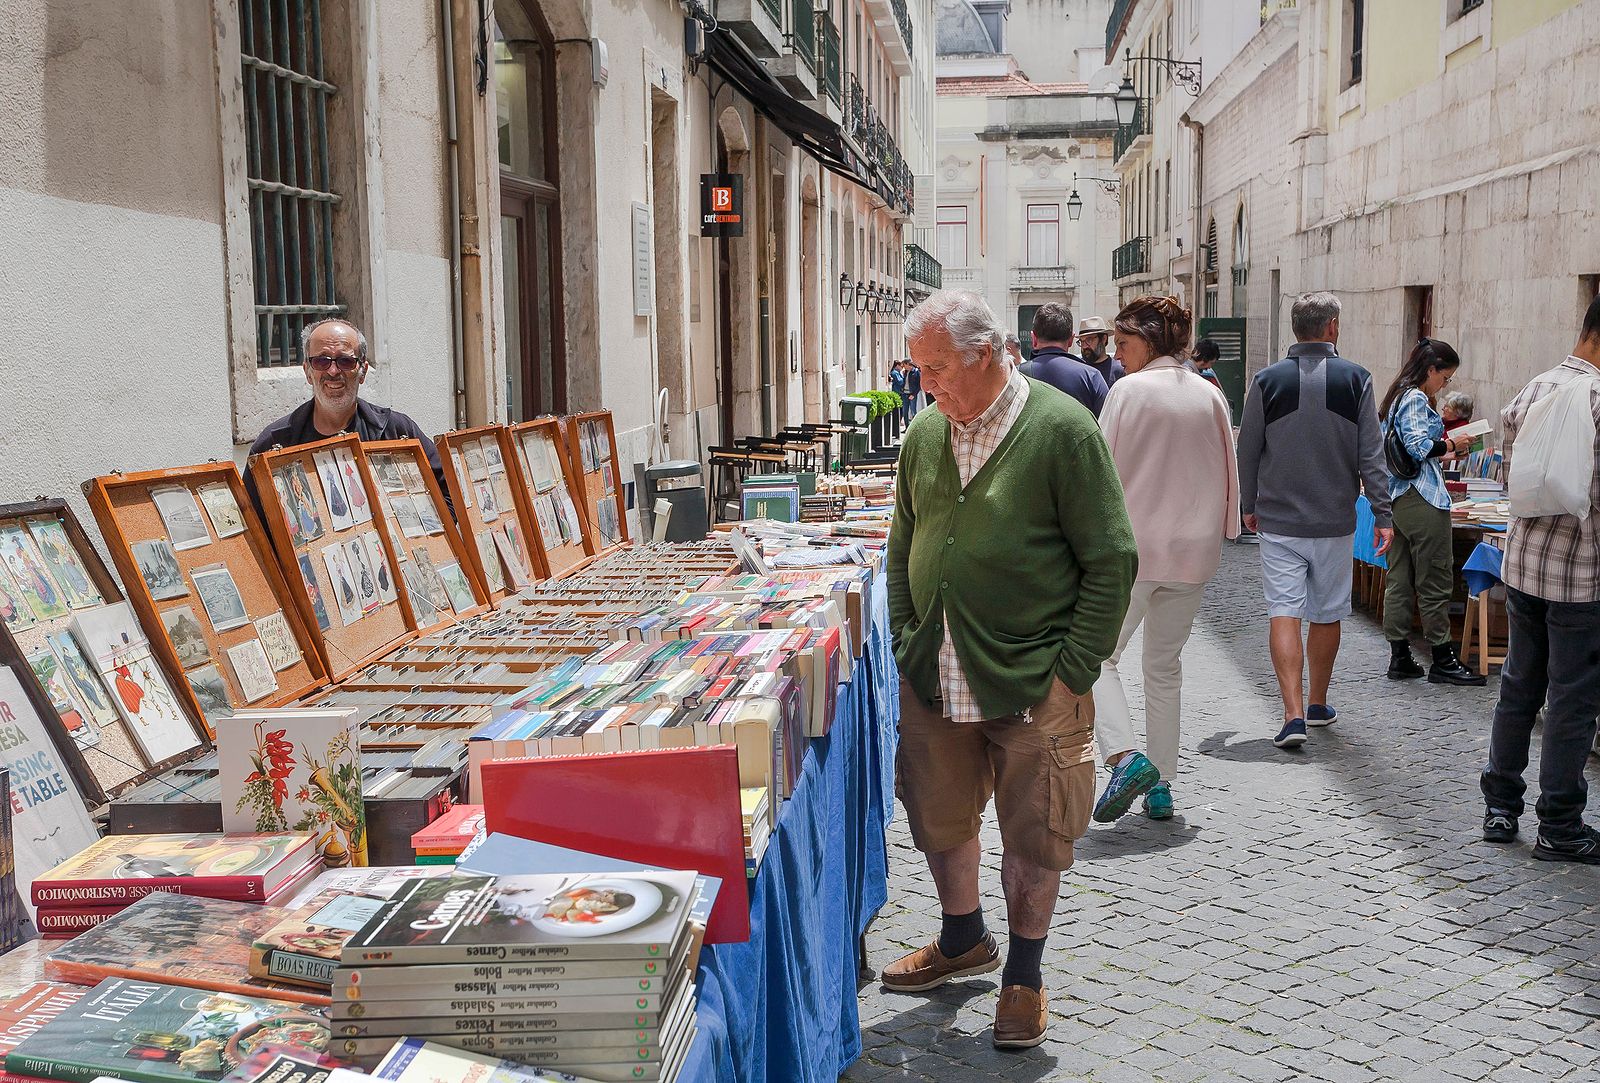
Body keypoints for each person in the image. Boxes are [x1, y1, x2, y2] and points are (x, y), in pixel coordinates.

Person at [885, 289, 1137, 1048]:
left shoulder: (1062, 432)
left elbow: (1112, 558)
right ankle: (963, 936)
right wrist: (906, 634)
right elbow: (902, 546)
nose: (927, 384)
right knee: (939, 813)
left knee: (1036, 832)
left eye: (937, 368)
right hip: (937, 671)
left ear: (986, 354)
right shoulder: (927, 434)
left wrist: (1073, 667)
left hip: (1036, 681)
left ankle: (1023, 977)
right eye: (920, 369)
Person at [1091, 296, 1239, 823]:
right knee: (1164, 667)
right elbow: (1229, 468)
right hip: (1193, 552)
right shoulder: (1209, 396)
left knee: (1095, 659)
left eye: (1125, 344)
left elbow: (1099, 472)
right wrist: (1226, 529)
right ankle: (1162, 786)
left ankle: (1127, 757)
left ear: (1147, 342)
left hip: (1133, 552)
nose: (1119, 354)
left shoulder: (1127, 392)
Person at [1236, 292, 1393, 750]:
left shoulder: (1266, 380)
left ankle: (1293, 714)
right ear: (1332, 328)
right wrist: (1382, 513)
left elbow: (1248, 448)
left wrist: (1249, 501)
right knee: (1326, 613)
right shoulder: (1357, 379)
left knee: (1283, 610)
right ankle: (1319, 702)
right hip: (1334, 520)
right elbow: (1371, 453)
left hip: (1279, 519)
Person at [1480, 296, 1600, 862]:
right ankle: (1560, 823)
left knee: (1520, 686)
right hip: (1580, 579)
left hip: (1525, 567)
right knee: (1573, 702)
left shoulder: (1536, 387)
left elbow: (1512, 467)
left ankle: (1500, 806)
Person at [245, 318, 449, 520]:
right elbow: (254, 529)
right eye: (321, 361)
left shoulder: (396, 431)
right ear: (308, 371)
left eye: (345, 361)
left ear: (362, 371)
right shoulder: (274, 443)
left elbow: (450, 494)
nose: (333, 371)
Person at [1377, 338, 1484, 685]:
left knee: (1399, 578)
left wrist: (1449, 453)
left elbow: (1410, 451)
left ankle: (1401, 656)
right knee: (1435, 578)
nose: (1445, 383)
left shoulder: (1397, 396)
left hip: (1399, 496)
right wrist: (1454, 443)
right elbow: (1419, 446)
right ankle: (1442, 657)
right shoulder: (1415, 396)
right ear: (1431, 369)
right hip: (1421, 497)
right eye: (1446, 376)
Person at [1017, 303, 1108, 416]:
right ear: (1071, 339)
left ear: (1033, 339)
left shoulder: (1016, 375)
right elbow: (1106, 423)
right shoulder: (1091, 376)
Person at [1075, 315, 1124, 387]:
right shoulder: (1078, 368)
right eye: (1081, 341)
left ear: (1104, 339)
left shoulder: (1119, 369)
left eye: (1089, 340)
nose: (1084, 346)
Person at [889, 361, 909, 426]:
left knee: (901, 408)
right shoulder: (895, 373)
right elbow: (900, 382)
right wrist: (905, 378)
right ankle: (899, 422)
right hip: (897, 392)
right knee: (899, 408)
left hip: (900, 392)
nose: (902, 368)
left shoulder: (898, 373)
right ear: (897, 365)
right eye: (901, 366)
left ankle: (900, 421)